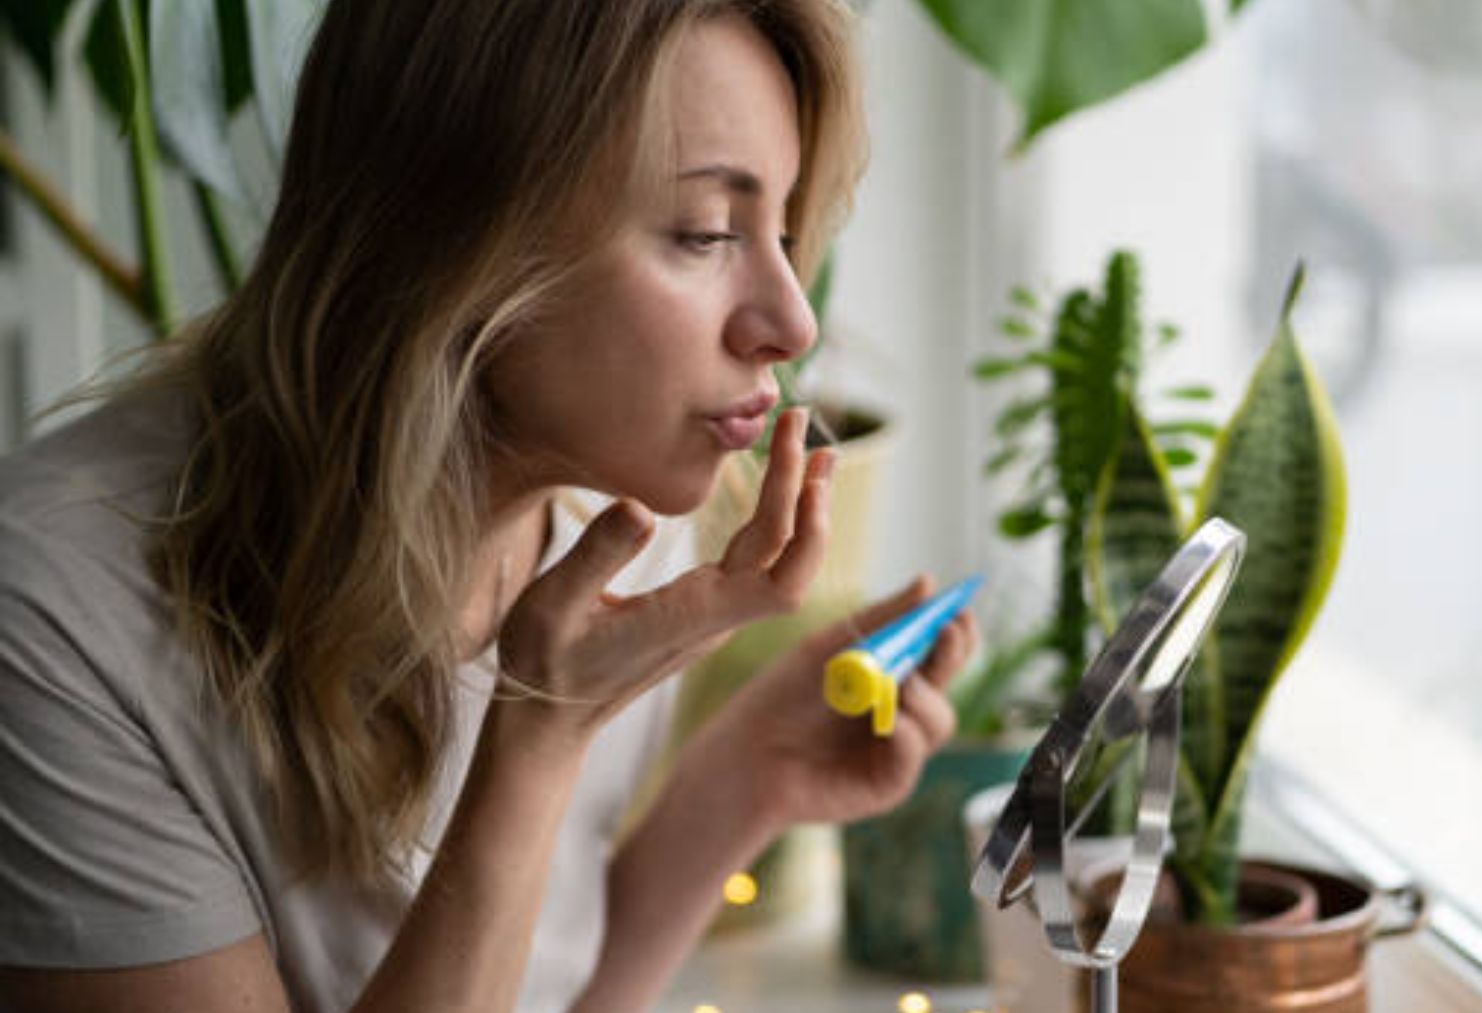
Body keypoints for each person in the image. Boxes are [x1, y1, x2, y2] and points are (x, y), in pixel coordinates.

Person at [0, 1, 977, 1010]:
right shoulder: (55, 614)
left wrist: (748, 776)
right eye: (706, 233)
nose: (793, 319)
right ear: (461, 236)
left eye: (778, 229)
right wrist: (539, 736)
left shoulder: (625, 499)